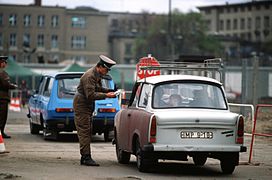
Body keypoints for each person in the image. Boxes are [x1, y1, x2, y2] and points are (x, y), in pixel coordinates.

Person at [73, 55, 117, 166]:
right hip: (82, 104)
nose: (106, 72)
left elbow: (96, 88)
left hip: (86, 105)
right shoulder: (90, 76)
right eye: (106, 69)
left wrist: (110, 91)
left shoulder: (97, 74)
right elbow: (91, 95)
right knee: (84, 131)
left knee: (87, 130)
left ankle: (85, 156)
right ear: (100, 67)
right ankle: (86, 157)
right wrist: (107, 95)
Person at [0, 56, 17, 138]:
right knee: (2, 116)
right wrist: (14, 86)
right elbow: (6, 84)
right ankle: (1, 132)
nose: (5, 64)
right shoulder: (2, 73)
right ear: (1, 63)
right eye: (4, 62)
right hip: (2, 98)